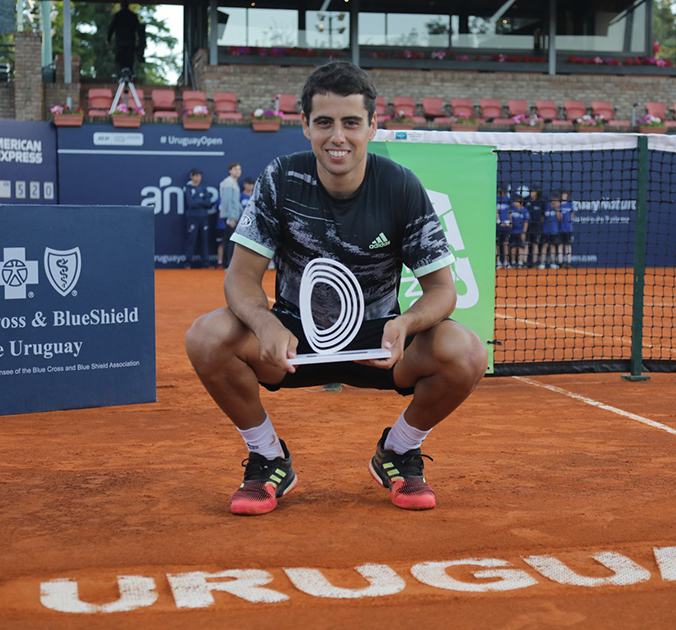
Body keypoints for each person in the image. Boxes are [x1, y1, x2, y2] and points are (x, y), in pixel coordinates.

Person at [185, 60, 487, 516]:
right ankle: (268, 459)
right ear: (305, 124)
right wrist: (266, 326)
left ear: (372, 125)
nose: (337, 136)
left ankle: (399, 452)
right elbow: (241, 276)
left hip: (380, 340)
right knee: (206, 337)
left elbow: (443, 289)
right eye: (324, 122)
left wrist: (405, 325)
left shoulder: (401, 186)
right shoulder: (281, 178)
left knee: (466, 351)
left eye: (351, 123)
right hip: (292, 340)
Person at [183, 168, 214, 269]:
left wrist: (197, 202)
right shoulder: (187, 188)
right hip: (192, 217)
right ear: (191, 176)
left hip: (204, 217)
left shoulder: (203, 188)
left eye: (199, 176)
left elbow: (208, 203)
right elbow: (190, 203)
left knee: (205, 240)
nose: (198, 178)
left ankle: (205, 263)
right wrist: (201, 201)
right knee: (191, 239)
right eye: (196, 176)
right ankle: (188, 262)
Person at [107, 3, 142, 78]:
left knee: (119, 59)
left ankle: (118, 73)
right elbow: (139, 30)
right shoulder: (133, 16)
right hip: (130, 41)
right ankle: (130, 73)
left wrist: (108, 39)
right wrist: (140, 42)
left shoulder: (118, 15)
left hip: (120, 42)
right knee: (129, 59)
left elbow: (111, 28)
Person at [218, 162, 243, 269]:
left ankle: (226, 264)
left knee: (229, 240)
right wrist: (230, 218)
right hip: (230, 217)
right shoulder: (229, 183)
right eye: (235, 169)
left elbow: (235, 202)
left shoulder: (233, 182)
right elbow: (227, 201)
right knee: (230, 241)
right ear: (230, 171)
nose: (238, 171)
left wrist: (240, 213)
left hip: (232, 216)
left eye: (239, 169)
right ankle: (227, 264)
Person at [508, 192, 529, 268]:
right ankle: (513, 262)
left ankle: (520, 262)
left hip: (520, 232)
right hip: (513, 231)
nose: (515, 203)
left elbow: (526, 222)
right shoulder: (512, 209)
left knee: (521, 247)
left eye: (516, 202)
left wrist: (524, 232)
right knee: (513, 246)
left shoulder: (525, 210)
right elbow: (509, 219)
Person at [541, 191, 560, 269]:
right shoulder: (546, 206)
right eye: (553, 200)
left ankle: (552, 262)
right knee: (545, 245)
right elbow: (542, 218)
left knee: (553, 246)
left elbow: (560, 218)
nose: (554, 201)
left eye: (555, 200)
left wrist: (556, 209)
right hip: (545, 230)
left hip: (554, 230)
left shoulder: (557, 207)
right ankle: (542, 263)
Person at [526, 187, 545, 268]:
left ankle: (534, 262)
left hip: (536, 227)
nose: (531, 192)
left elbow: (543, 216)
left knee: (535, 244)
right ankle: (524, 263)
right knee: (526, 244)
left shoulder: (541, 202)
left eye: (533, 191)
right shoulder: (526, 200)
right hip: (527, 226)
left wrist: (540, 225)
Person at [558, 189, 575, 268]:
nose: (564, 196)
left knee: (568, 245)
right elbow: (559, 218)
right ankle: (560, 263)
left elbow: (572, 215)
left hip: (568, 228)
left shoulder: (569, 204)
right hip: (560, 229)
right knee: (560, 245)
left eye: (565, 195)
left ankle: (568, 262)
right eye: (563, 195)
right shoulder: (558, 205)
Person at [495, 188, 511, 269]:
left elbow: (509, 212)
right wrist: (498, 221)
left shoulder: (508, 200)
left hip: (506, 226)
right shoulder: (495, 199)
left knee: (506, 243)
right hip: (497, 227)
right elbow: (495, 211)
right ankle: (498, 262)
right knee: (496, 244)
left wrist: (509, 222)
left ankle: (506, 262)